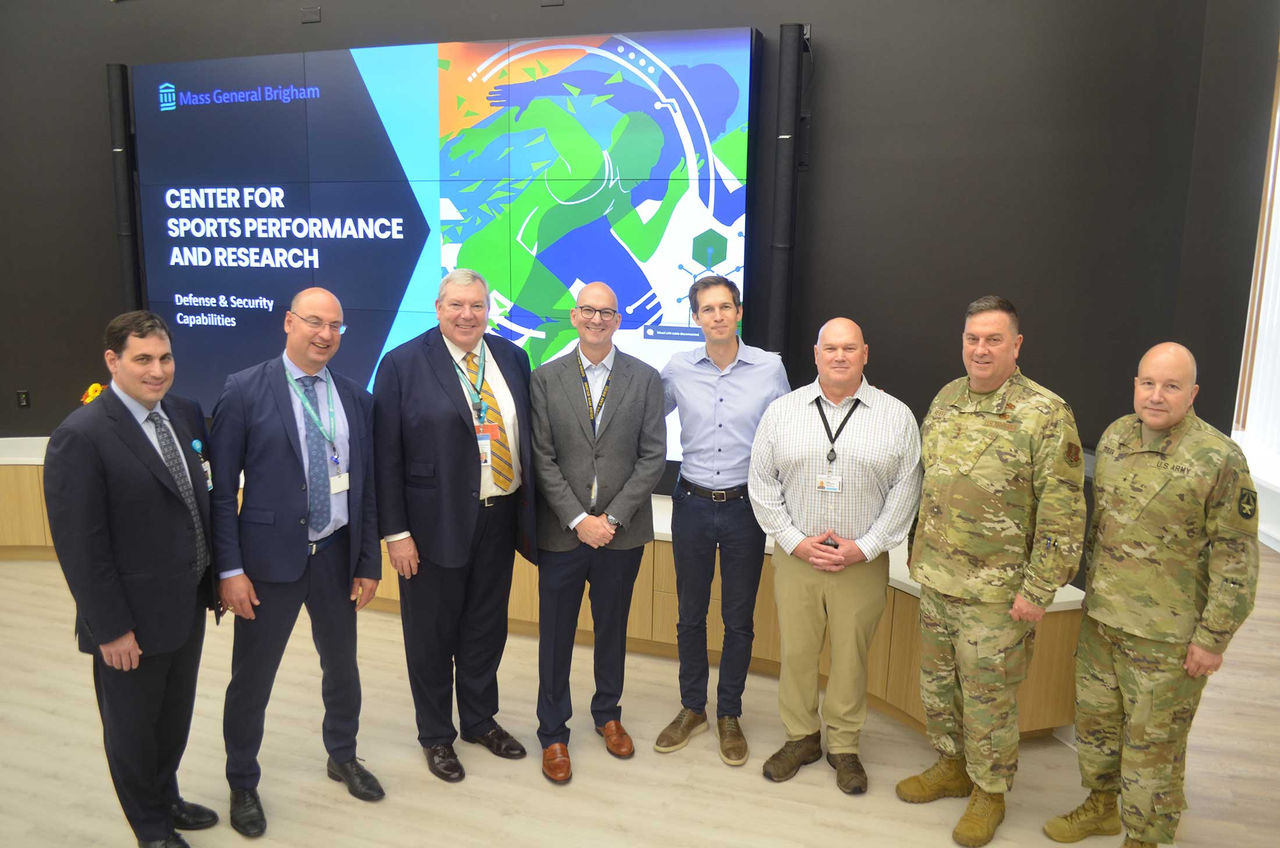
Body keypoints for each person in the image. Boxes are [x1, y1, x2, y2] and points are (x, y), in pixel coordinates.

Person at [1043, 343, 1259, 848]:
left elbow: (1237, 559)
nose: (1156, 396)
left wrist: (1213, 639)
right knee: (1095, 728)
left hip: (1168, 640)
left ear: (1194, 393)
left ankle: (1144, 838)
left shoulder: (1218, 458)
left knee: (1153, 749)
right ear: (1135, 385)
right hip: (1103, 623)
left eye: (1171, 386)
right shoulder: (1117, 436)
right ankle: (1100, 807)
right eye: (1147, 383)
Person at [896, 295, 1086, 848]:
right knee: (939, 687)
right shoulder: (947, 398)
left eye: (994, 339)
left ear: (1016, 345)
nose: (981, 349)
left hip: (999, 595)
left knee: (988, 700)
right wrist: (916, 547)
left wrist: (1038, 589)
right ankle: (951, 767)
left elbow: (1063, 513)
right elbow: (931, 482)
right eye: (972, 339)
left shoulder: (1046, 413)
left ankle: (990, 792)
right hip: (936, 580)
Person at [211, 288, 384, 838]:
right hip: (265, 565)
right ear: (289, 322)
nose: (325, 334)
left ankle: (343, 754)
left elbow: (366, 490)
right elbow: (221, 493)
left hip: (335, 555)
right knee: (252, 681)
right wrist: (229, 569)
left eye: (336, 325)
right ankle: (242, 781)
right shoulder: (244, 390)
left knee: (342, 668)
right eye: (314, 321)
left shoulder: (357, 398)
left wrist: (367, 560)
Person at [44, 311, 218, 848]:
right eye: (143, 359)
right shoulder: (82, 435)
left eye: (164, 358)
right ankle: (150, 829)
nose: (157, 371)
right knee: (132, 731)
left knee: (172, 719)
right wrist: (110, 628)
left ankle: (166, 797)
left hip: (185, 604)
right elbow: (82, 549)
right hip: (129, 622)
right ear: (112, 361)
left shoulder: (184, 414)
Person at [373, 268, 537, 783]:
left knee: (485, 628)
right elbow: (386, 456)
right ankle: (436, 735)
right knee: (430, 634)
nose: (467, 315)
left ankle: (479, 720)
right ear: (438, 307)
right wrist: (396, 533)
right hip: (430, 526)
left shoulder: (511, 356)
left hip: (500, 515)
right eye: (456, 305)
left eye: (477, 305)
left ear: (489, 309)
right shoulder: (402, 364)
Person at [748, 317, 922, 795]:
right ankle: (800, 737)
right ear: (816, 353)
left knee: (851, 656)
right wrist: (794, 540)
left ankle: (844, 746)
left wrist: (864, 547)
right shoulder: (782, 412)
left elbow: (907, 491)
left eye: (849, 348)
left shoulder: (896, 416)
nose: (840, 356)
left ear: (865, 353)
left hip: (861, 564)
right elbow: (761, 484)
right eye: (831, 348)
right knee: (797, 652)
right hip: (797, 558)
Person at [530, 281, 666, 784]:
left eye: (606, 312)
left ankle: (608, 713)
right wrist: (578, 519)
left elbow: (653, 457)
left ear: (619, 319)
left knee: (612, 628)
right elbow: (541, 458)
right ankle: (552, 732)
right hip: (562, 534)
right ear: (573, 316)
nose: (596, 319)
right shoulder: (545, 379)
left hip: (620, 535)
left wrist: (608, 520)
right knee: (556, 636)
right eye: (588, 310)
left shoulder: (645, 378)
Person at [655, 275, 790, 765]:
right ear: (695, 317)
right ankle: (693, 708)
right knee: (689, 615)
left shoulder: (769, 368)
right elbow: (647, 421)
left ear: (738, 312)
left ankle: (729, 712)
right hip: (689, 503)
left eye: (725, 307)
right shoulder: (676, 368)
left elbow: (786, 433)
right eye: (707, 309)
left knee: (738, 619)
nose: (717, 316)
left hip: (745, 509)